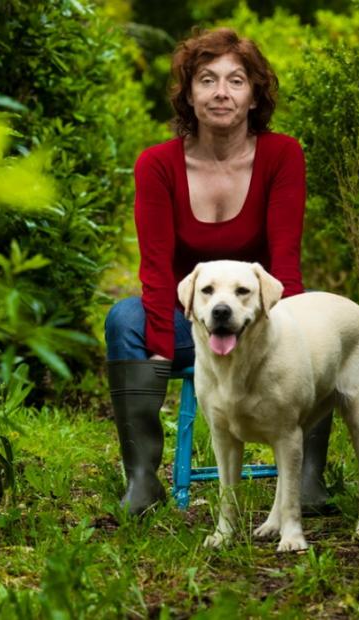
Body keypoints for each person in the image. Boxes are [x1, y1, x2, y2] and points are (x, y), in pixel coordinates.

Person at [104, 27, 333, 515]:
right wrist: (171, 348)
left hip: (261, 324)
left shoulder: (282, 155)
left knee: (316, 318)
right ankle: (143, 480)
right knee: (124, 319)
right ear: (189, 94)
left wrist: (284, 343)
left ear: (254, 95)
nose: (221, 93)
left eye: (236, 80)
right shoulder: (157, 165)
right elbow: (157, 270)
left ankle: (309, 478)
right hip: (194, 320)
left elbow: (285, 263)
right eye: (207, 80)